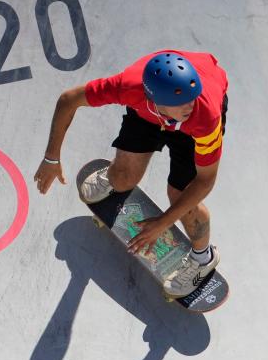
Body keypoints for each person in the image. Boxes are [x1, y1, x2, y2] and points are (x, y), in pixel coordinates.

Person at [33, 50, 229, 297]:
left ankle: (203, 258)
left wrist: (163, 222)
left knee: (181, 196)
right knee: (123, 177)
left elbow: (205, 181)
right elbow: (69, 99)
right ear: (156, 98)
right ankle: (114, 178)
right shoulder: (128, 87)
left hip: (192, 131)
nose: (190, 105)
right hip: (146, 115)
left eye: (192, 97)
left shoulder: (203, 115)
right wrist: (51, 157)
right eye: (182, 101)